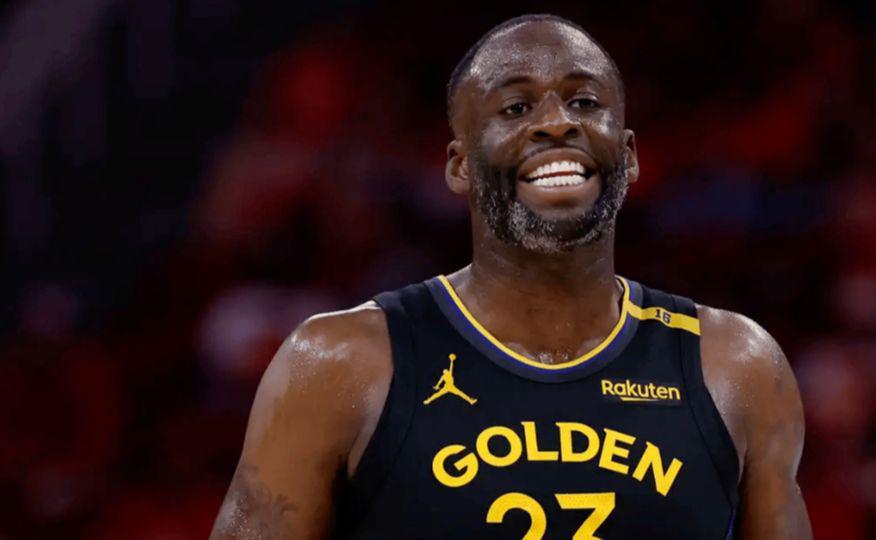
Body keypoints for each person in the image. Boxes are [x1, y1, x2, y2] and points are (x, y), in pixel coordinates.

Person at [211, 13, 810, 539]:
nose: (557, 123)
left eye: (585, 103)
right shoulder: (339, 364)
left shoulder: (736, 366)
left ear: (627, 155)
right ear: (459, 166)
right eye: (515, 107)